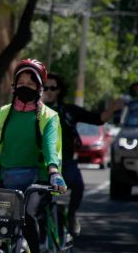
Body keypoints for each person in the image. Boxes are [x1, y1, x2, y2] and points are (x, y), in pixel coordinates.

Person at [0, 58, 67, 253]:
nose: (25, 86)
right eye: (21, 81)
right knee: (0, 227)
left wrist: (54, 172)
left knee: (28, 216)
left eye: (31, 83)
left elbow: (51, 148)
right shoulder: (4, 113)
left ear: (40, 88)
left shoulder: (50, 117)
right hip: (7, 180)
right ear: (13, 85)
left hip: (36, 182)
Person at [42, 73, 123, 236]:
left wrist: (112, 109)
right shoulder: (35, 111)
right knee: (37, 202)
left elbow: (99, 119)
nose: (48, 91)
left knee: (78, 185)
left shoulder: (69, 111)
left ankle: (71, 215)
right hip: (40, 163)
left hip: (66, 162)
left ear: (59, 91)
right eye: (45, 88)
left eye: (53, 88)